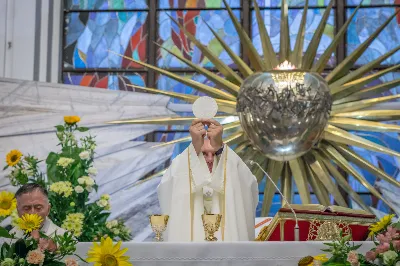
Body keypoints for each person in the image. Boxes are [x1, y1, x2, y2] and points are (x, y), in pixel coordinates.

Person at [157, 118, 258, 242]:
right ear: (196, 154)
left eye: (214, 153)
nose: (210, 159)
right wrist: (194, 147)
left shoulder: (229, 168)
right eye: (204, 153)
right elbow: (167, 185)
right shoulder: (184, 166)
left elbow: (248, 183)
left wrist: (220, 147)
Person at [10, 183, 66, 251]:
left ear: (48, 209)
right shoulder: (8, 237)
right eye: (26, 208)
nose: (32, 213)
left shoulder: (64, 237)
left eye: (38, 208)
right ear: (18, 210)